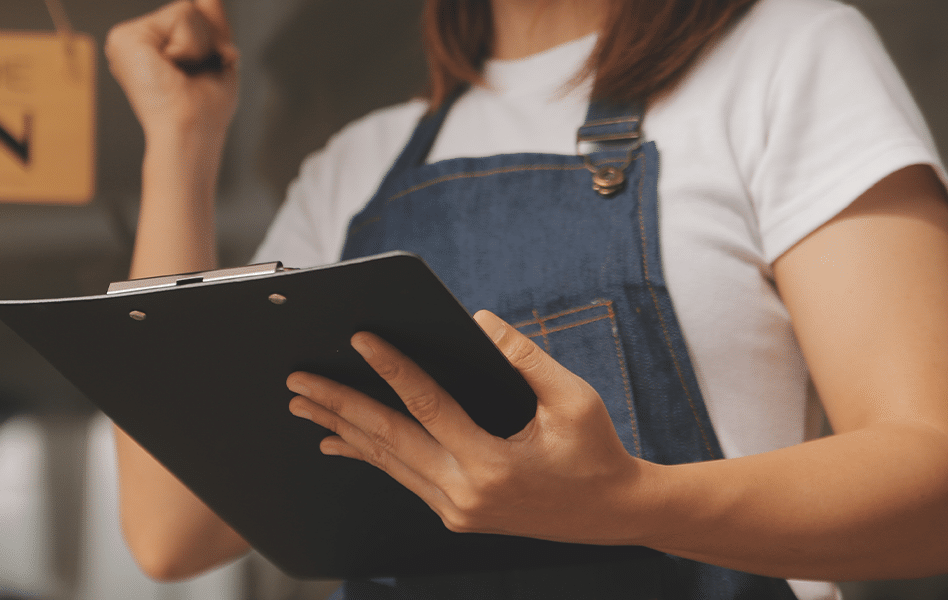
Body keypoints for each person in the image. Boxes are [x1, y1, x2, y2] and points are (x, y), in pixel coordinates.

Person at [104, 0, 948, 598]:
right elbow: (175, 528)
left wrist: (627, 506)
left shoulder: (788, 56)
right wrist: (182, 140)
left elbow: (932, 474)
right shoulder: (354, 170)